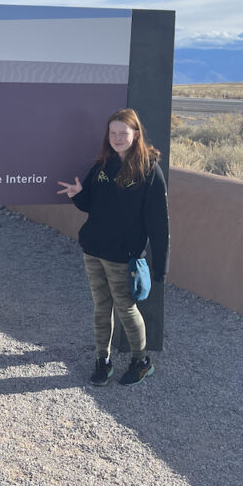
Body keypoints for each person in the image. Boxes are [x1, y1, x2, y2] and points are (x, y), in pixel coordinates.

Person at [57, 108, 169, 387]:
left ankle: (141, 361)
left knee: (126, 309)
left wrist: (161, 267)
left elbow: (158, 223)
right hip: (93, 249)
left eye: (124, 133)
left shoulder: (148, 170)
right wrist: (77, 195)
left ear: (136, 135)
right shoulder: (102, 165)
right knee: (100, 307)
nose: (118, 138)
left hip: (123, 255)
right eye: (113, 133)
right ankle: (102, 361)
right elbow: (89, 205)